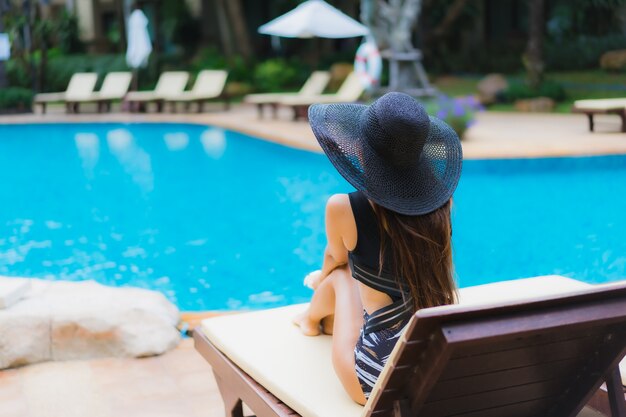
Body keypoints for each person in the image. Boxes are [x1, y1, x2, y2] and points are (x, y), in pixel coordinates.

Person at [293, 92, 463, 404]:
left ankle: (310, 317)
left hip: (376, 379)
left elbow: (336, 258)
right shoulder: (441, 204)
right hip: (440, 361)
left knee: (342, 276)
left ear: (361, 149)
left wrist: (322, 277)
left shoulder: (343, 207)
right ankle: (312, 317)